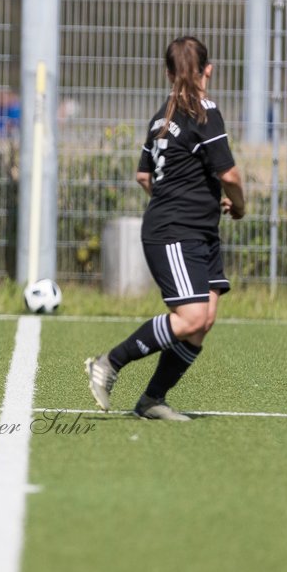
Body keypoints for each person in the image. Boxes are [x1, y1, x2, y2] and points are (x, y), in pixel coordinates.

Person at [85, 36, 246, 421]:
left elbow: (144, 175)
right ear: (209, 70)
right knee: (190, 318)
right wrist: (238, 205)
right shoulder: (205, 111)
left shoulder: (163, 116)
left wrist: (183, 195)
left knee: (202, 322)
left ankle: (152, 400)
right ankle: (108, 362)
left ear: (168, 73)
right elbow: (230, 174)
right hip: (176, 231)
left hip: (195, 229)